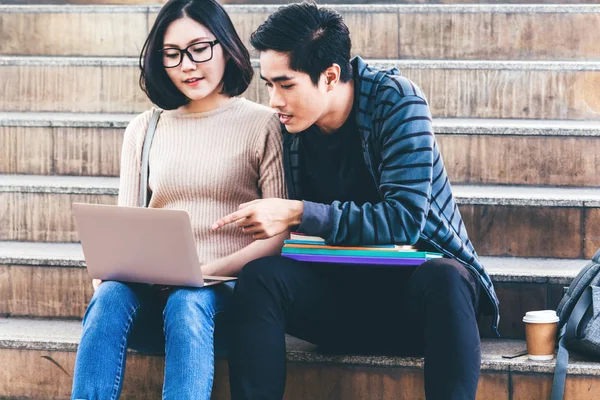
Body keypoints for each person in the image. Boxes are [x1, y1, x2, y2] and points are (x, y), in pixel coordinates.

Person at [212, 3, 500, 399]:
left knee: (446, 277)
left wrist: (298, 212)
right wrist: (201, 270)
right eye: (268, 85)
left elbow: (404, 220)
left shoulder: (397, 101)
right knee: (261, 278)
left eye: (286, 84)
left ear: (330, 76)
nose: (274, 100)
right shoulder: (293, 125)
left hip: (420, 308)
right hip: (342, 302)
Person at [70, 0, 286, 398]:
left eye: (199, 49)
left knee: (189, 301)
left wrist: (205, 271)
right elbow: (125, 222)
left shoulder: (264, 123)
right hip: (153, 286)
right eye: (172, 55)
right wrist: (110, 268)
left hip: (224, 288)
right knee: (109, 296)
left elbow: (277, 236)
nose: (187, 65)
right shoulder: (145, 127)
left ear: (226, 46)